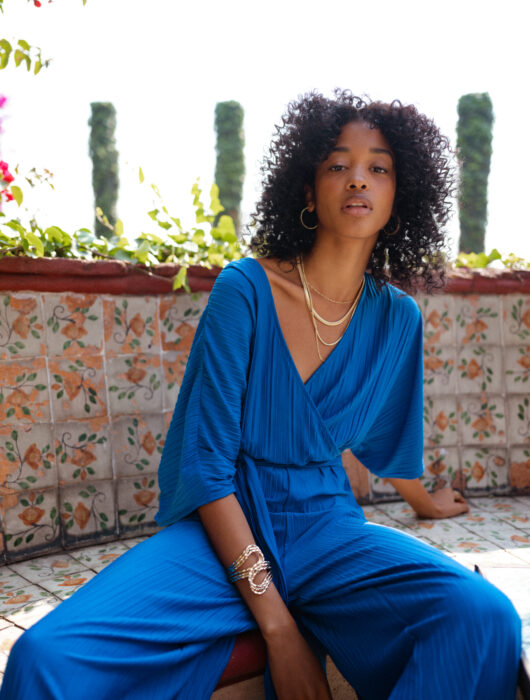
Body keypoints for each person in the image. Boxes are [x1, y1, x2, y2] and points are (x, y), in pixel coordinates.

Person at [1, 90, 521, 700]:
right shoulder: (243, 289)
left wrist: (426, 504)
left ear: (398, 198)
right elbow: (206, 467)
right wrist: (278, 629)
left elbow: (389, 445)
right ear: (307, 189)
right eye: (337, 165)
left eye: (378, 167)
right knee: (46, 655)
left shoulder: (397, 319)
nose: (358, 179)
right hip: (224, 531)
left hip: (328, 531)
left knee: (484, 616)